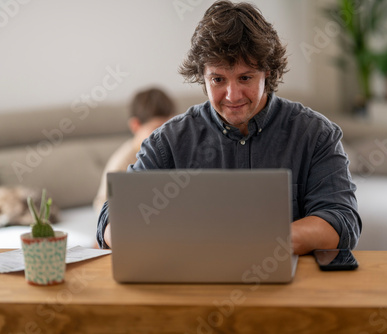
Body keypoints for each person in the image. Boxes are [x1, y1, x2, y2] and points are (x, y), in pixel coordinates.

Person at [97, 0, 362, 255]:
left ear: (267, 71)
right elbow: (112, 218)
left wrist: (254, 243)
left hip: (291, 289)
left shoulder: (315, 134)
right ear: (202, 75)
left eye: (245, 78)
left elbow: (340, 221)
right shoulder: (168, 141)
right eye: (218, 79)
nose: (232, 95)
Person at [93, 87, 176, 213]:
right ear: (136, 126)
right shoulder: (123, 161)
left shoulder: (171, 150)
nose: (164, 135)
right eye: (156, 129)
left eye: (169, 127)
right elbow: (102, 205)